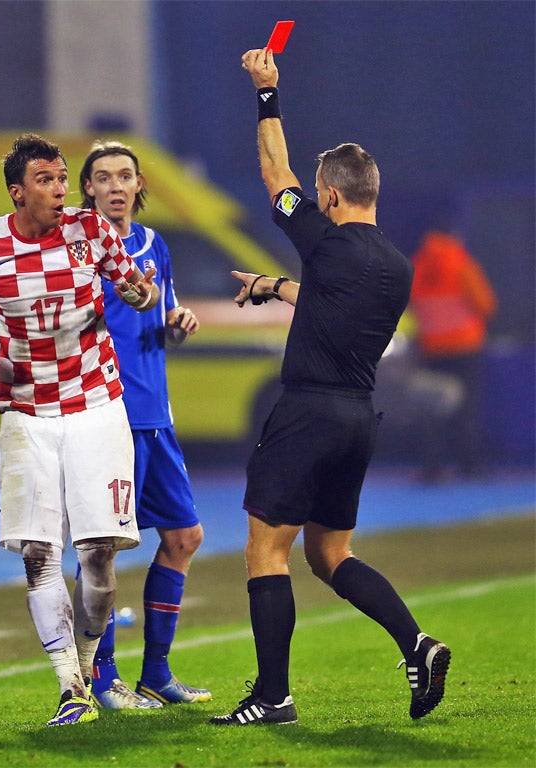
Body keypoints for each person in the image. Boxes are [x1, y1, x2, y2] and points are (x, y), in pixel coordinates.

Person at [208, 48, 451, 726]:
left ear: (335, 196)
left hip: (307, 412)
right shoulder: (394, 267)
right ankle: (417, 643)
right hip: (356, 419)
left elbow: (272, 172)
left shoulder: (325, 239)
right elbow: (326, 298)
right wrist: (274, 287)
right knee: (329, 552)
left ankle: (272, 696)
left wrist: (266, 92)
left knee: (265, 548)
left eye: (320, 194)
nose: (313, 200)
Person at [0, 133, 160, 726]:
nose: (61, 190)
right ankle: (69, 687)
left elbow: (138, 292)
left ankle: (87, 663)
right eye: (46, 181)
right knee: (39, 552)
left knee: (100, 556)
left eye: (63, 179)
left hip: (95, 402)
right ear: (17, 191)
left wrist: (141, 292)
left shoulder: (93, 231)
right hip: (25, 412)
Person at [76, 141, 210, 710]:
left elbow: (161, 323)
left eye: (124, 176)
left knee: (183, 537)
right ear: (87, 189)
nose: (114, 185)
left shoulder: (156, 246)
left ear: (137, 186)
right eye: (102, 177)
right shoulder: (76, 250)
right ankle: (103, 681)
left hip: (156, 414)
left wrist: (178, 322)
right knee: (102, 548)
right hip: (106, 412)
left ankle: (156, 672)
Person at [409, 224, 497, 480]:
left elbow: (408, 305)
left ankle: (432, 467)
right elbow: (486, 305)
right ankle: (469, 465)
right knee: (466, 410)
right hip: (465, 348)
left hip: (431, 349)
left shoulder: (418, 265)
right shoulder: (462, 264)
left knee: (432, 411)